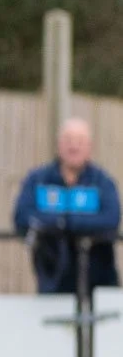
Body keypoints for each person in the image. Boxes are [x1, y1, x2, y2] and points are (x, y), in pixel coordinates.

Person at [13, 118, 119, 295]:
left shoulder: (102, 183)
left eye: (80, 141)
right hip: (51, 282)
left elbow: (111, 219)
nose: (73, 146)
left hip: (100, 285)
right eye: (68, 140)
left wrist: (65, 223)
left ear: (89, 147)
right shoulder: (38, 180)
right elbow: (22, 217)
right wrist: (64, 223)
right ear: (58, 145)